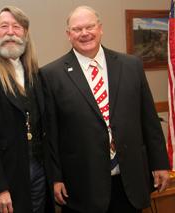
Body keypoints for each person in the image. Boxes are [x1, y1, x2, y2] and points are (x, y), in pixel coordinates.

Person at [40, 5, 170, 213]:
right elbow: (51, 135)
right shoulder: (50, 75)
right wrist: (56, 178)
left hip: (130, 181)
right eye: (77, 29)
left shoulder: (131, 65)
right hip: (83, 186)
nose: (84, 33)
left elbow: (149, 120)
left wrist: (160, 163)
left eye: (90, 26)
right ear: (68, 34)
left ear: (100, 28)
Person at [0, 6, 54, 213]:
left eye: (17, 26)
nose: (11, 32)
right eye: (4, 26)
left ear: (26, 34)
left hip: (40, 174)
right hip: (5, 181)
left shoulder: (36, 75)